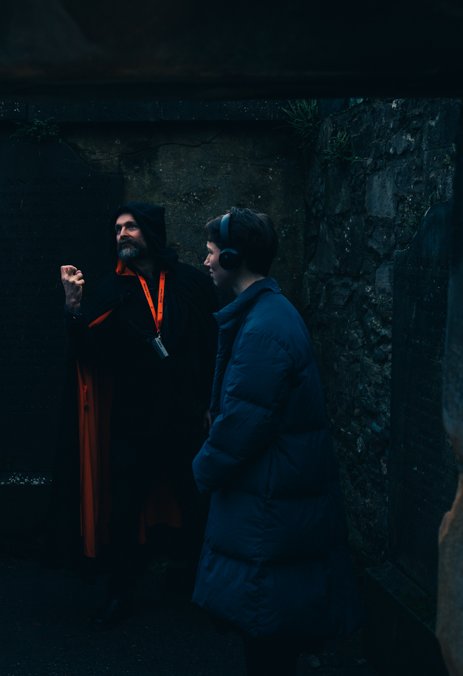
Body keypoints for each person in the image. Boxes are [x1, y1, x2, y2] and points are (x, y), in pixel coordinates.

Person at [193, 208, 363, 676]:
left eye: (210, 253)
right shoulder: (269, 313)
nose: (205, 262)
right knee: (271, 631)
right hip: (278, 499)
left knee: (267, 636)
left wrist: (200, 470)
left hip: (271, 507)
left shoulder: (265, 330)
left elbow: (242, 427)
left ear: (232, 257)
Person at [52, 202, 219, 631]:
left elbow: (214, 348)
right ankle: (120, 594)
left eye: (130, 227)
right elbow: (90, 356)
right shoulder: (112, 291)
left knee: (198, 505)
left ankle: (203, 586)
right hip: (134, 423)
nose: (122, 234)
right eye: (117, 229)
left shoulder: (190, 284)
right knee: (124, 511)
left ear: (151, 233)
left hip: (186, 420)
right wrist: (73, 307)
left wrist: (208, 406)